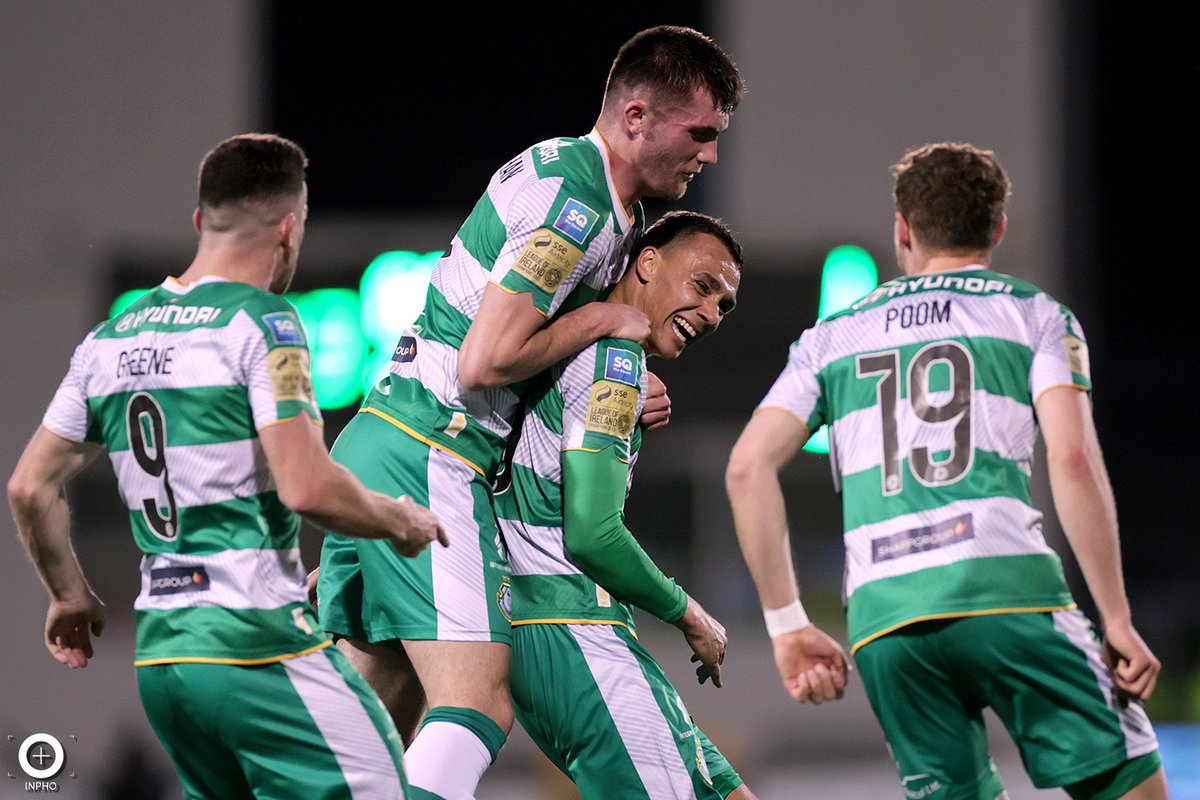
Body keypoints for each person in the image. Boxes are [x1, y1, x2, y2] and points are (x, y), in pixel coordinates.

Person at [313, 24, 744, 799]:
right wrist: (603, 325)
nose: (710, 154)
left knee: (373, 727)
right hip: (429, 452)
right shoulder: (575, 204)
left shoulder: (602, 206)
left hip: (383, 442)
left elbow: (527, 350)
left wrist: (616, 373)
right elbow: (484, 361)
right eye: (702, 132)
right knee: (476, 701)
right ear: (638, 116)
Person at [7, 133, 446, 800]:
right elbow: (307, 487)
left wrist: (71, 596)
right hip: (252, 645)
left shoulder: (109, 341)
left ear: (198, 222)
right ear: (289, 228)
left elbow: (29, 486)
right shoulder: (263, 323)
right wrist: (399, 519)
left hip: (164, 659)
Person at [725, 142, 1167, 799]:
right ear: (997, 229)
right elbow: (1071, 458)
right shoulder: (1034, 314)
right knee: (1127, 784)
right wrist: (1117, 617)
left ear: (902, 229)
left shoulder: (833, 337)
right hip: (1007, 589)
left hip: (885, 616)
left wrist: (788, 625)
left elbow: (746, 468)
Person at [496, 211, 755, 800]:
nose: (713, 312)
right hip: (574, 630)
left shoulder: (559, 346)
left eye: (725, 304)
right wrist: (690, 613)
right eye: (703, 286)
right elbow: (592, 534)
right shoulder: (615, 358)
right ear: (646, 261)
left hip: (556, 628)